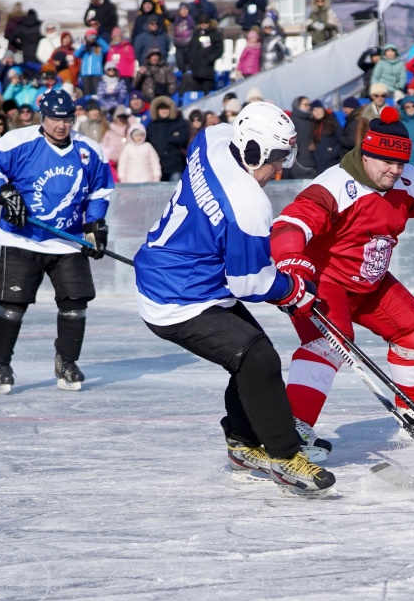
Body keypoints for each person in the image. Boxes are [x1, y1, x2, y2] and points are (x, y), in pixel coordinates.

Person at [132, 102, 331, 492]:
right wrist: (293, 290)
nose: (278, 171)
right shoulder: (248, 203)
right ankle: (285, 456)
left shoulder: (214, 139)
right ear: (252, 150)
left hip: (184, 275)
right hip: (177, 298)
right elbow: (250, 283)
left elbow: (216, 135)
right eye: (275, 161)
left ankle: (242, 442)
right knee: (258, 359)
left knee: (250, 360)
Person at [269, 106, 414, 443]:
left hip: (371, 280)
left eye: (400, 162)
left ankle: (411, 412)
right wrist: (291, 263)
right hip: (325, 282)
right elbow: (289, 224)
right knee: (328, 344)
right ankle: (291, 430)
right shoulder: (335, 186)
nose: (394, 170)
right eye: (386, 161)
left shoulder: (407, 179)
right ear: (366, 154)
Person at [0, 88, 114, 395]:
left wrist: (95, 227)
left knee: (76, 303)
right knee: (12, 306)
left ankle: (67, 361)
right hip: (22, 239)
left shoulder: (90, 150)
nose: (61, 125)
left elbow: (100, 191)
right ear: (42, 118)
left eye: (66, 119)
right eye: (54, 119)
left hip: (68, 241)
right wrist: (5, 194)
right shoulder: (17, 142)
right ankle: (0, 364)